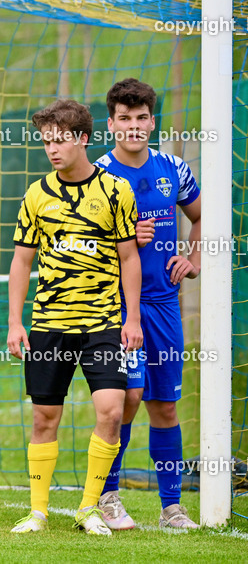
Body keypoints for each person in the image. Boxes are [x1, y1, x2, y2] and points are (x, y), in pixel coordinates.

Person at [7, 99, 142, 536]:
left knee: (111, 410)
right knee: (44, 418)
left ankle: (88, 508)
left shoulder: (116, 190)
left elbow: (129, 257)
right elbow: (21, 261)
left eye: (60, 140)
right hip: (49, 324)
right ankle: (38, 513)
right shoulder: (36, 194)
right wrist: (15, 322)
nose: (52, 149)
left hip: (103, 322)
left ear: (83, 139)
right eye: (46, 141)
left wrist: (133, 318)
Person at [94, 78, 202, 529]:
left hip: (164, 304)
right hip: (116, 306)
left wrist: (194, 259)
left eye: (141, 118)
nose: (133, 126)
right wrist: (121, 240)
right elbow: (81, 245)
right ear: (111, 124)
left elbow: (200, 216)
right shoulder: (97, 175)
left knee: (165, 406)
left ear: (152, 122)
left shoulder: (174, 168)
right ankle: (107, 496)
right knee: (126, 399)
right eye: (124, 118)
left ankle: (171, 508)